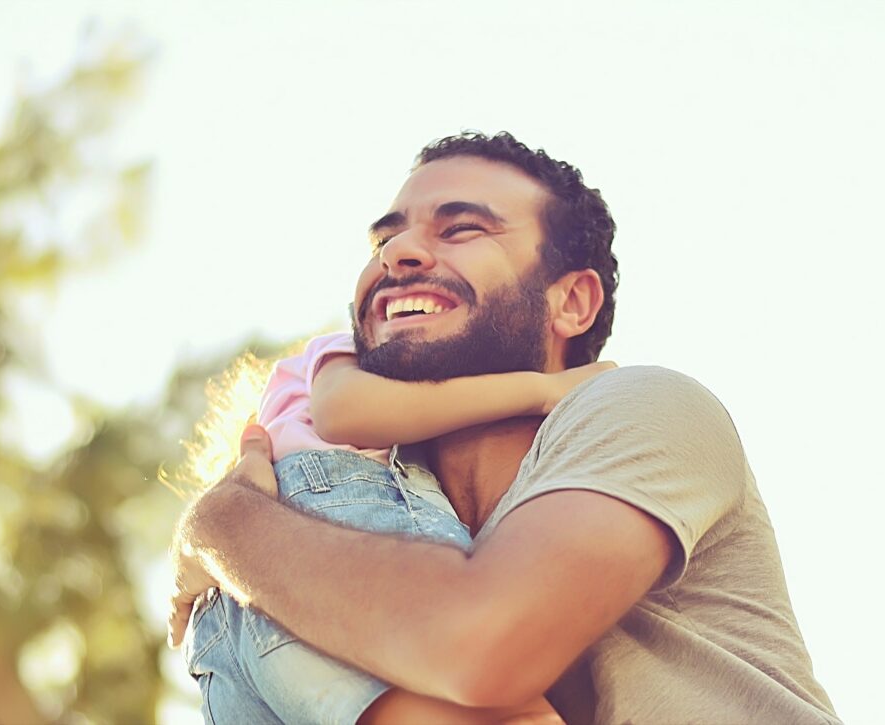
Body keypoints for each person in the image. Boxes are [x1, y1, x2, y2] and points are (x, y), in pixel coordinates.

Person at [169, 132, 840, 724]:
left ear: (571, 301)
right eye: (384, 238)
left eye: (461, 229)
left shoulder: (640, 406)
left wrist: (220, 525)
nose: (398, 253)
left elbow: (479, 646)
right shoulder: (373, 506)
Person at [185, 329, 611, 723]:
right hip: (328, 508)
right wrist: (544, 390)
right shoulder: (357, 352)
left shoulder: (257, 466)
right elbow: (343, 411)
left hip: (219, 626)